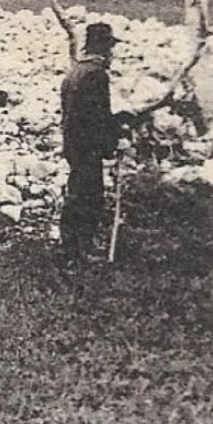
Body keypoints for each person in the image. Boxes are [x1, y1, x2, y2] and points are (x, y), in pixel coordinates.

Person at [59, 22, 133, 265]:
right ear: (101, 48)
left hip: (73, 144)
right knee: (90, 198)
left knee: (77, 194)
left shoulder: (75, 72)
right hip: (87, 146)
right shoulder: (96, 75)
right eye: (110, 48)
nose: (112, 54)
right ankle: (80, 251)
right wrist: (115, 140)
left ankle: (70, 248)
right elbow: (96, 118)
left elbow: (80, 113)